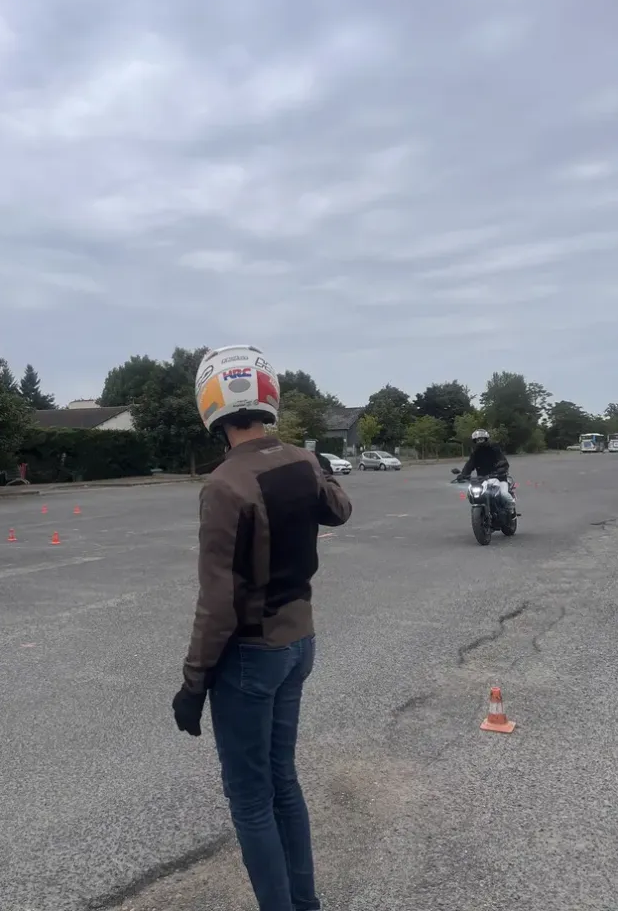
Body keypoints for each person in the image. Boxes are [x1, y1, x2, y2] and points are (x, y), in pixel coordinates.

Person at [172, 344, 352, 911]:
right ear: (268, 395)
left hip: (251, 654)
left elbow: (219, 600)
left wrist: (194, 680)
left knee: (251, 799)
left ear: (212, 404)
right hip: (300, 642)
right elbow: (339, 510)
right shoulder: (301, 460)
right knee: (283, 782)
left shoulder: (224, 485)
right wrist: (316, 465)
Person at [458, 428, 516, 515]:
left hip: (499, 477)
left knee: (503, 494)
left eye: (481, 439)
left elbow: (502, 460)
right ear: (475, 441)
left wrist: (502, 467)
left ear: (486, 439)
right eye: (477, 440)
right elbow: (469, 465)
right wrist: (463, 474)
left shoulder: (494, 449)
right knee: (476, 494)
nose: (480, 441)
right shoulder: (476, 453)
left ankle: (511, 510)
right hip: (483, 479)